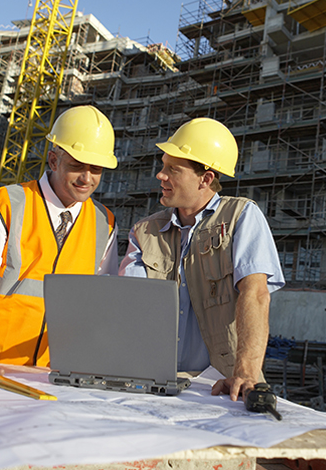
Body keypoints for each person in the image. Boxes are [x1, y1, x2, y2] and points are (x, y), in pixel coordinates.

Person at [0, 105, 119, 379]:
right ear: (54, 161)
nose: (87, 178)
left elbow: (99, 308)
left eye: (97, 168)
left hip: (57, 379)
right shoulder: (6, 205)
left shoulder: (105, 222)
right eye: (77, 166)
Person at [119, 118, 285, 402]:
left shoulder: (241, 217)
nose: (161, 175)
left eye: (173, 169)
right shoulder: (144, 231)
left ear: (205, 179)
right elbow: (127, 303)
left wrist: (247, 372)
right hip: (155, 384)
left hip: (222, 386)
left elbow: (255, 294)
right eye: (163, 166)